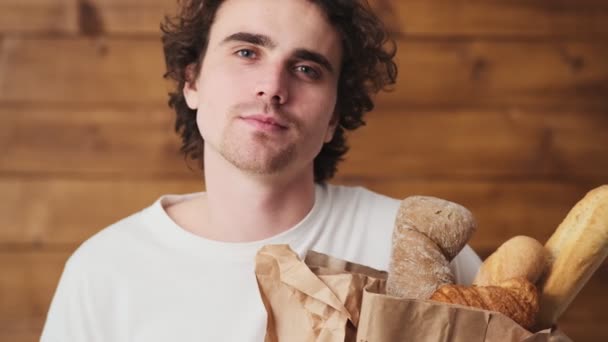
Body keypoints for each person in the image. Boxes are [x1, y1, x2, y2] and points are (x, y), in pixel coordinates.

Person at [41, 0, 482, 341]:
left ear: (332, 117)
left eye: (306, 69)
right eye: (247, 51)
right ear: (192, 81)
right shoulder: (105, 271)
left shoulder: (412, 244)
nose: (272, 86)